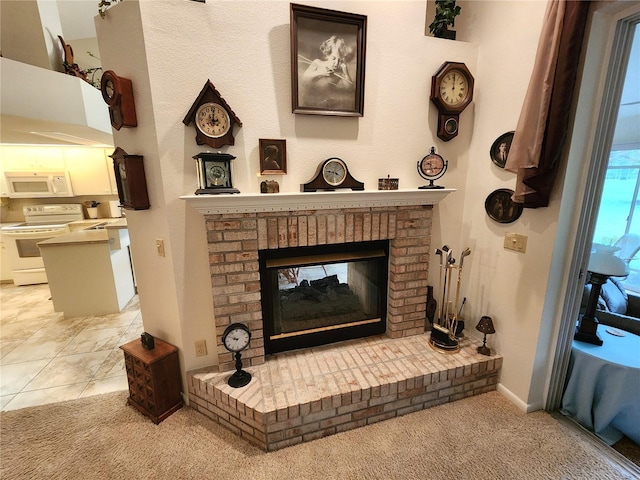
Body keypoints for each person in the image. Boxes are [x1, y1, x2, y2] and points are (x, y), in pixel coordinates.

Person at [299, 35, 355, 110]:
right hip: (310, 98)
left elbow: (349, 88)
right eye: (333, 58)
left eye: (340, 59)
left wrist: (345, 72)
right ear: (327, 55)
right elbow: (304, 78)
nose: (336, 63)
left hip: (325, 102)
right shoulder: (318, 63)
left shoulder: (340, 70)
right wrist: (320, 72)